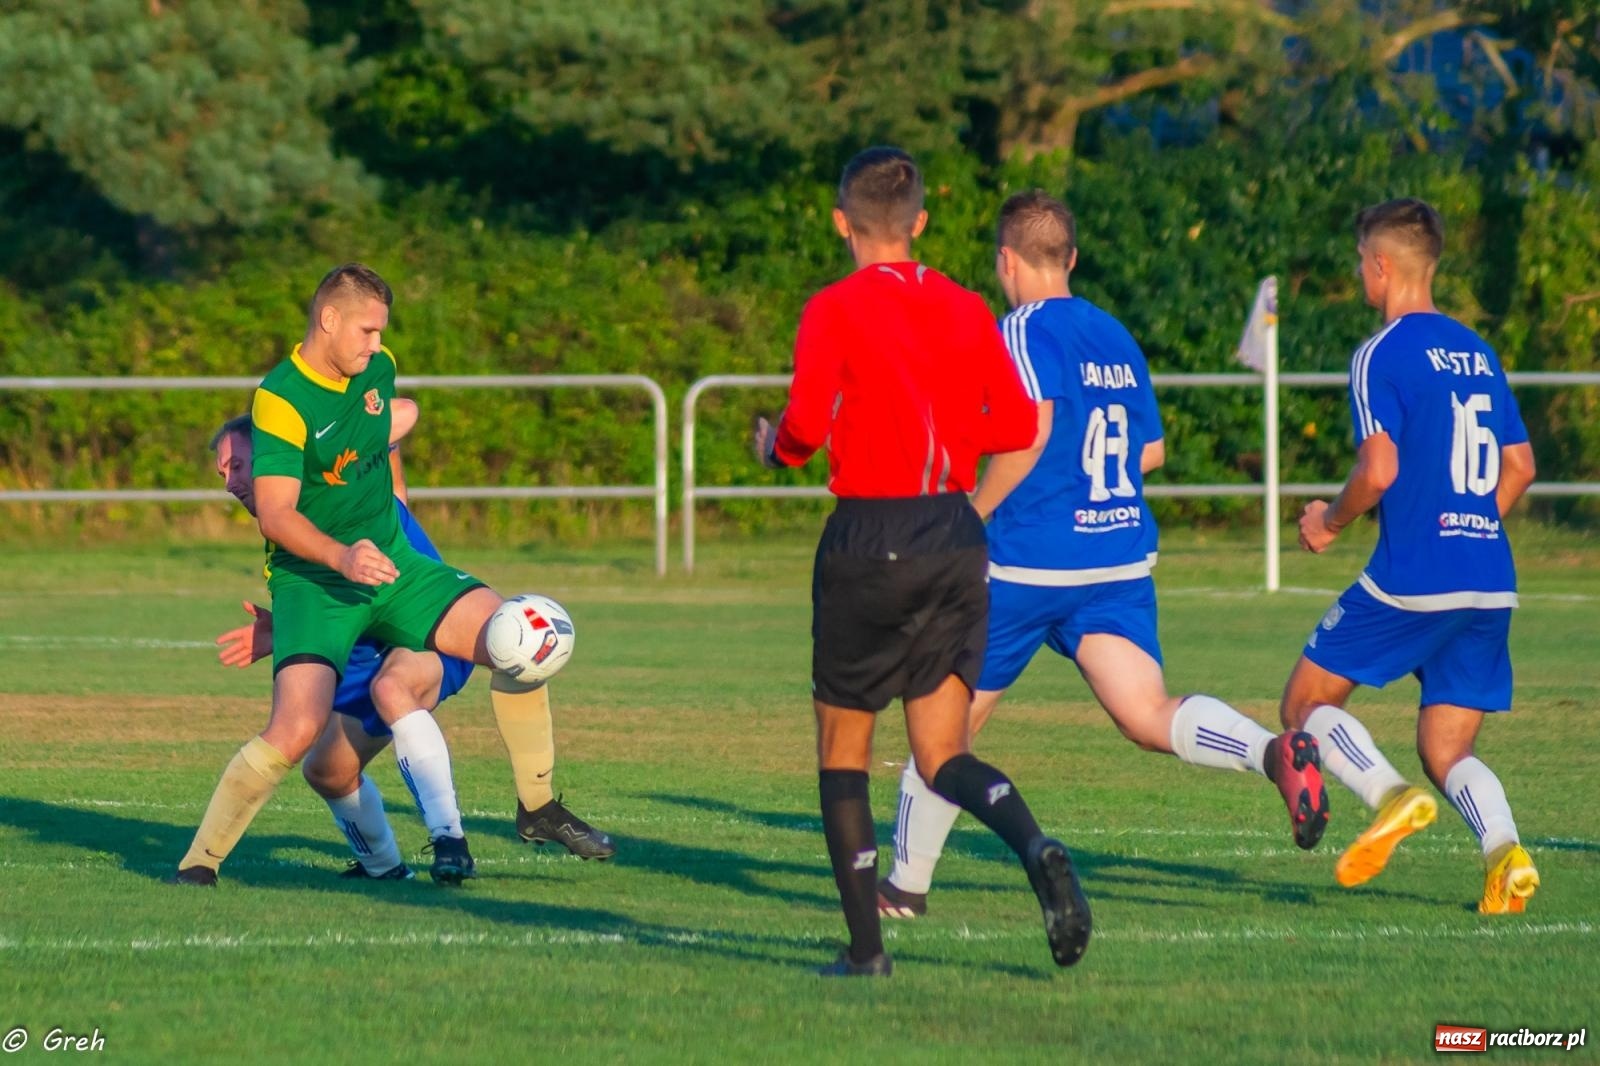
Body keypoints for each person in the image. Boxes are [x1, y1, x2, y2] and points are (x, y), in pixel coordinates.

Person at [878, 190, 1330, 919]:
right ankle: (1274, 754)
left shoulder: (1020, 329)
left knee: (946, 731)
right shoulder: (1113, 332)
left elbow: (1030, 432)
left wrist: (971, 513)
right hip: (1115, 562)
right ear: (1073, 259)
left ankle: (905, 888)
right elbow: (1149, 450)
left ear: (1005, 260)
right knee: (1148, 711)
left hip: (1026, 567)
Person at [752, 148, 1090, 977]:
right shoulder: (969, 307)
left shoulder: (832, 307)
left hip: (871, 537)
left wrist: (773, 447)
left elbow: (800, 431)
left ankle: (866, 953)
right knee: (942, 756)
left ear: (841, 222)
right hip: (954, 536)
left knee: (845, 751)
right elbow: (1014, 426)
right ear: (922, 224)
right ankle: (1035, 844)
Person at [172, 263, 610, 887]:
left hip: (392, 565)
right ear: (328, 321)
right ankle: (199, 865)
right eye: (367, 330)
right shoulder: (279, 398)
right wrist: (342, 558)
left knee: (519, 632)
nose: (377, 345)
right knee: (297, 732)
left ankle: (536, 805)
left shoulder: (376, 368)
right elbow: (274, 514)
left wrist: (385, 461)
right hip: (316, 580)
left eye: (381, 332)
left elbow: (390, 420)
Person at [208, 412, 614, 880]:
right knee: (326, 771)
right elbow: (333, 601)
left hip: (429, 628)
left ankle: (465, 833)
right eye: (222, 473)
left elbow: (398, 424)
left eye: (237, 466)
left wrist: (359, 410)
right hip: (367, 652)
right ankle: (384, 870)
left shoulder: (347, 486)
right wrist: (283, 630)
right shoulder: (287, 538)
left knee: (410, 680)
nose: (228, 483)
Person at [1281, 198, 1538, 914]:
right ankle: (1505, 856)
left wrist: (1329, 521)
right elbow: (1520, 465)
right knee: (1448, 748)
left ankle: (1389, 795)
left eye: (1361, 262)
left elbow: (1380, 469)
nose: (1359, 274)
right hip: (1489, 578)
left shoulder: (1379, 353)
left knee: (1303, 705)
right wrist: (1468, 524)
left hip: (1416, 576)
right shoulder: (1477, 352)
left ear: (1382, 265)